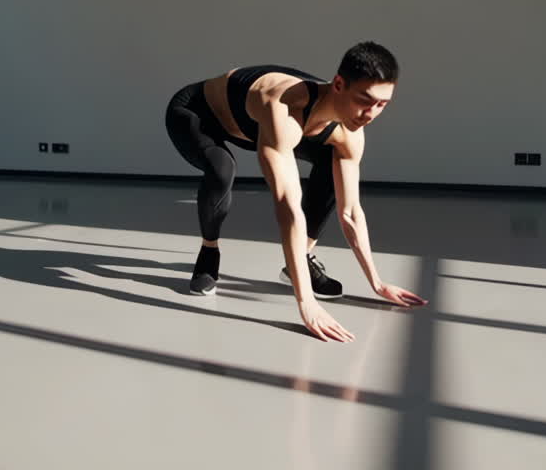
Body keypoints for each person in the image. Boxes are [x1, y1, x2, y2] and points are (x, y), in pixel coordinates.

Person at [164, 41, 427, 342]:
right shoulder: (283, 109)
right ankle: (209, 251)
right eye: (364, 100)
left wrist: (377, 283)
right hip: (197, 114)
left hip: (254, 124)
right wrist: (307, 304)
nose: (370, 114)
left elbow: (351, 211)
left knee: (331, 163)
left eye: (382, 104)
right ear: (339, 84)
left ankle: (299, 259)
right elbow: (288, 208)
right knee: (221, 168)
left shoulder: (350, 133)